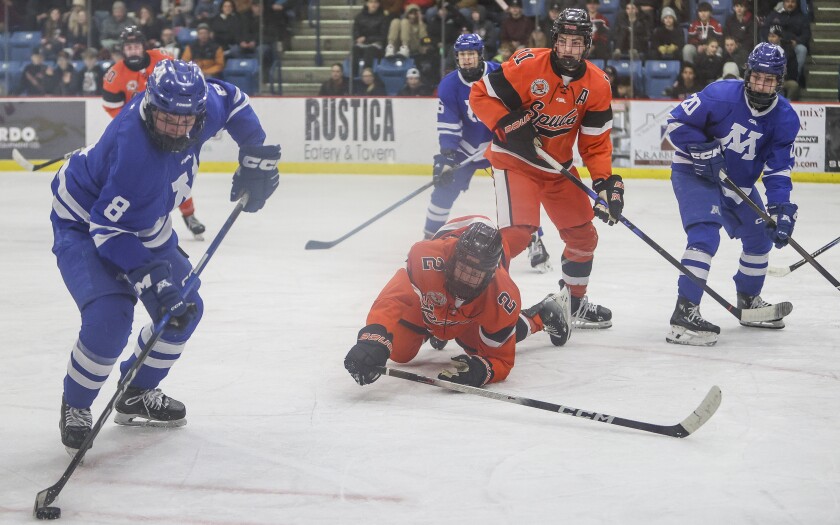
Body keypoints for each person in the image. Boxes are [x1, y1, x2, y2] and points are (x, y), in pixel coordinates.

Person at [52, 59, 281, 454]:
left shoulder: (198, 105)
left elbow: (237, 102)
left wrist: (254, 155)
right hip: (87, 223)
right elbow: (109, 230)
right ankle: (75, 404)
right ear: (150, 107)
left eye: (185, 121)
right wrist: (151, 279)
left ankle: (136, 392)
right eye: (167, 119)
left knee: (183, 308)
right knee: (110, 318)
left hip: (143, 220)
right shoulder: (133, 152)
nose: (178, 129)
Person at [470, 8, 621, 329]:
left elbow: (595, 144)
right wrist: (509, 122)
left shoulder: (597, 84)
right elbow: (480, 94)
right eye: (563, 41)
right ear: (554, 41)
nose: (569, 49)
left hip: (558, 168)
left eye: (576, 43)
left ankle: (574, 303)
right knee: (518, 233)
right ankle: (476, 304)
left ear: (587, 45)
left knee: (583, 237)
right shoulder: (527, 65)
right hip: (515, 160)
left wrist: (606, 182)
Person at [663, 43, 798, 346]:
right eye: (757, 78)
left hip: (739, 183)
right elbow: (674, 124)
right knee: (705, 236)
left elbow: (778, 171)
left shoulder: (786, 117)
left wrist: (780, 209)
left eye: (770, 80)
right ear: (748, 75)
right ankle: (684, 315)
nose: (762, 85)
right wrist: (701, 147)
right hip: (695, 172)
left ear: (779, 81)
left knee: (761, 238)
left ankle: (749, 301)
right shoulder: (720, 93)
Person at [343, 216, 572, 388]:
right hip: (446, 262)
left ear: (491, 275)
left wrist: (483, 371)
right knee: (399, 351)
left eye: (475, 275)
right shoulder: (426, 257)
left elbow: (501, 358)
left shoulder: (502, 294)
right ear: (452, 258)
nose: (466, 279)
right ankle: (436, 328)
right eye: (463, 268)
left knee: (478, 349)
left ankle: (542, 315)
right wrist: (372, 339)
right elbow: (393, 297)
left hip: (465, 306)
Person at [104, 26, 208, 242]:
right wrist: (132, 126)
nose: (133, 50)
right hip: (138, 131)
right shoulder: (115, 75)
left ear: (144, 47)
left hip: (169, 125)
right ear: (123, 50)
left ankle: (189, 215)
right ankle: (136, 218)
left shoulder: (162, 59)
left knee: (177, 172)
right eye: (128, 47)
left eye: (136, 46)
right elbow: (113, 108)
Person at [422, 35, 499, 238]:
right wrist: (447, 157)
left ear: (479, 55)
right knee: (442, 192)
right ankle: (428, 238)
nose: (466, 59)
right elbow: (448, 124)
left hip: (500, 146)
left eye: (470, 54)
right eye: (462, 54)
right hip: (466, 148)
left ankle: (534, 241)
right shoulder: (449, 84)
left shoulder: (499, 74)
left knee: (515, 194)